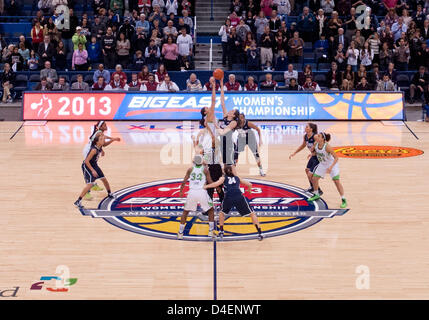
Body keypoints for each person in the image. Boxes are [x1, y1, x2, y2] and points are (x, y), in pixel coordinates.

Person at [204, 165, 264, 241]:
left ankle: (221, 231)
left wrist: (206, 186)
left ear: (224, 172)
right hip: (239, 196)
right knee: (252, 213)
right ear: (232, 171)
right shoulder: (237, 178)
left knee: (221, 213)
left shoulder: (223, 178)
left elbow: (215, 184)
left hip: (229, 197)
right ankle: (260, 233)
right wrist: (249, 190)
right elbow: (250, 184)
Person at [177, 154, 215, 239]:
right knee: (211, 210)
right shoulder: (205, 170)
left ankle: (180, 233)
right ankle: (210, 231)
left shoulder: (190, 169)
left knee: (185, 212)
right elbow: (210, 181)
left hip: (192, 192)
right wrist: (217, 187)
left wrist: (181, 191)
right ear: (202, 161)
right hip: (202, 192)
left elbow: (184, 181)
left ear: (194, 161)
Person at [74, 134, 117, 209]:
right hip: (87, 166)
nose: (103, 140)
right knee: (90, 184)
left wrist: (113, 139)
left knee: (104, 179)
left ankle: (110, 193)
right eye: (101, 139)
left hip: (94, 165)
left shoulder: (99, 146)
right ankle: (78, 201)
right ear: (97, 142)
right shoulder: (94, 150)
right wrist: (92, 170)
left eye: (103, 139)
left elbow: (105, 143)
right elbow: (86, 161)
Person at [307, 132, 347, 209]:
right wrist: (311, 154)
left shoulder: (327, 147)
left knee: (336, 181)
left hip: (331, 164)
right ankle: (316, 194)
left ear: (322, 139)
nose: (316, 137)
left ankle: (343, 199)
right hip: (323, 164)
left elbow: (336, 158)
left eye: (319, 136)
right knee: (314, 179)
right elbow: (315, 152)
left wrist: (331, 167)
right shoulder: (316, 144)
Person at [289, 122, 323, 194]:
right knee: (307, 170)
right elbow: (303, 145)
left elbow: (322, 144)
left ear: (311, 129)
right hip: (313, 156)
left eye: (307, 127)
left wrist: (315, 150)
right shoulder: (305, 136)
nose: (305, 128)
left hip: (318, 157)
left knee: (311, 175)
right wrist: (294, 153)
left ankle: (318, 190)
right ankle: (312, 187)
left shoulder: (315, 136)